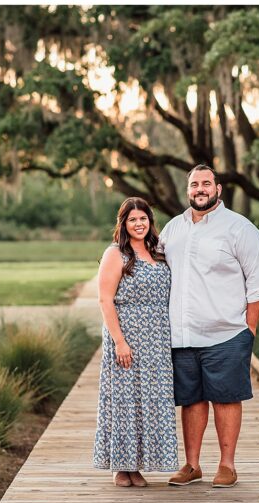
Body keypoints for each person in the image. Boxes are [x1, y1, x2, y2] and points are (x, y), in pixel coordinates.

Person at [160, 166, 259, 488]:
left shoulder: (239, 228)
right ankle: (192, 465)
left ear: (218, 189)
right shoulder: (172, 229)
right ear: (188, 190)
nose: (200, 189)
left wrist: (249, 328)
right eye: (194, 184)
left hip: (226, 332)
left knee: (225, 398)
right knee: (191, 400)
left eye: (206, 183)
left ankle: (227, 465)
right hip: (182, 334)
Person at [93, 198, 178, 488]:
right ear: (124, 224)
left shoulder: (159, 251)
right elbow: (105, 300)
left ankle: (138, 465)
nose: (139, 224)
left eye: (143, 218)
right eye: (132, 219)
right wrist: (119, 342)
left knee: (150, 402)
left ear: (150, 221)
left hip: (157, 340)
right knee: (125, 401)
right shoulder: (115, 253)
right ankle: (122, 468)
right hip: (126, 335)